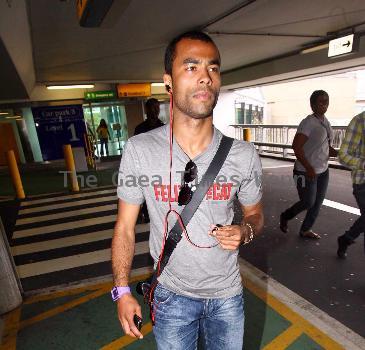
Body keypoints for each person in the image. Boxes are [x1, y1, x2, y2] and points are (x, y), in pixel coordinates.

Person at [111, 31, 264, 349]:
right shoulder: (139, 150)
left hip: (227, 296)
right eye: (191, 67)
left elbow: (255, 213)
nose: (206, 77)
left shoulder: (243, 154)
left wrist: (245, 230)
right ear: (168, 81)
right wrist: (122, 291)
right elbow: (125, 227)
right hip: (169, 296)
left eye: (213, 68)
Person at [280, 90, 338, 239]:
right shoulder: (308, 123)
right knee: (308, 202)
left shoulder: (325, 122)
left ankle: (306, 229)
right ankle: (285, 216)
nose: (324, 104)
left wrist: (340, 154)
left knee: (317, 203)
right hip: (305, 171)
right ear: (312, 105)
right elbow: (296, 147)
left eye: (326, 100)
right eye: (321, 101)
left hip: (323, 170)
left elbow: (325, 147)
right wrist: (309, 168)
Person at [337, 112, 365, 258]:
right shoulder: (360, 121)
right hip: (363, 181)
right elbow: (342, 156)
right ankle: (346, 239)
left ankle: (346, 239)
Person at [134, 98, 165, 222]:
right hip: (145, 166)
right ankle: (146, 213)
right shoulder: (140, 129)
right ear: (146, 110)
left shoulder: (164, 128)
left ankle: (158, 214)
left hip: (161, 166)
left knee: (159, 192)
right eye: (152, 108)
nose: (155, 111)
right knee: (146, 192)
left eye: (157, 108)